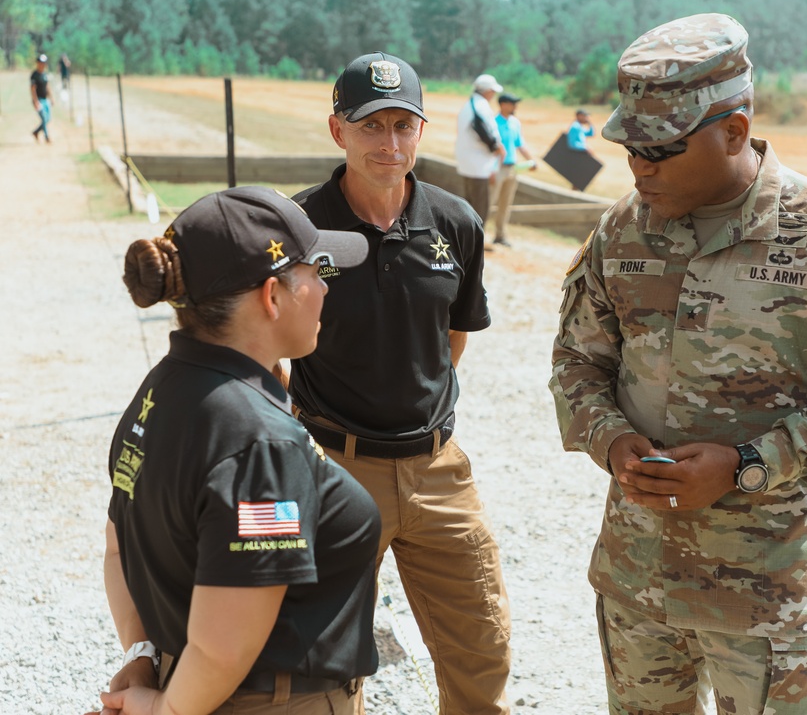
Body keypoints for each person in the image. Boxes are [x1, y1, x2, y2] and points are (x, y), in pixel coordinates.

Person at [549, 13, 807, 715]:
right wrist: (611, 439)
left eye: (662, 148)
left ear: (735, 131)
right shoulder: (621, 229)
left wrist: (748, 462)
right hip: (640, 583)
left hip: (768, 600)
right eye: (631, 149)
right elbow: (576, 362)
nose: (640, 167)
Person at [89, 186, 380, 715]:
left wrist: (142, 654)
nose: (325, 288)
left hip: (190, 684)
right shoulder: (261, 442)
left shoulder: (158, 391)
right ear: (272, 296)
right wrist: (162, 710)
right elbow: (225, 647)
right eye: (316, 272)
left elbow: (119, 548)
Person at [291, 52, 512, 715]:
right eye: (371, 126)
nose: (389, 144)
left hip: (438, 469)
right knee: (326, 663)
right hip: (333, 468)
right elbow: (271, 349)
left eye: (402, 125)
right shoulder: (299, 229)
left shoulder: (456, 225)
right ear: (339, 131)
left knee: (483, 647)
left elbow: (454, 337)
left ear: (421, 130)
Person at [455, 72, 506, 223]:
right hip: (479, 164)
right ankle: (475, 243)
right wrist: (497, 147)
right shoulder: (481, 107)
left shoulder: (469, 105)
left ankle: (468, 241)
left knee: (469, 205)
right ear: (488, 91)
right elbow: (485, 132)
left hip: (468, 162)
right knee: (480, 208)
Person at [490, 92, 536, 247]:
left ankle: (500, 235)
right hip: (497, 168)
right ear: (503, 104)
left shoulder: (515, 122)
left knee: (505, 204)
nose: (515, 106)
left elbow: (520, 144)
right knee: (489, 202)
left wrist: (531, 160)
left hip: (512, 168)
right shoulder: (493, 122)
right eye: (513, 103)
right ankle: (478, 234)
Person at [30, 54, 52, 143]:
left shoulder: (44, 74)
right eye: (40, 63)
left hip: (45, 99)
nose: (42, 64)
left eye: (43, 63)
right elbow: (32, 89)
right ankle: (47, 137)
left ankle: (36, 132)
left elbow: (47, 86)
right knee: (44, 118)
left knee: (48, 119)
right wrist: (35, 101)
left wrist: (51, 97)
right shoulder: (34, 75)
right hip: (38, 100)